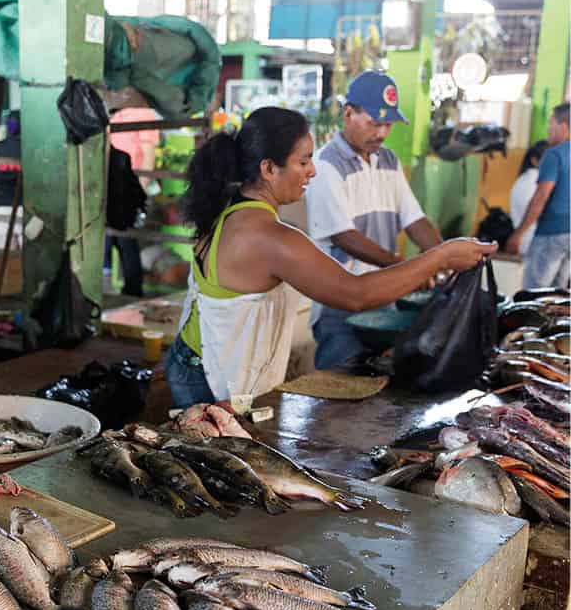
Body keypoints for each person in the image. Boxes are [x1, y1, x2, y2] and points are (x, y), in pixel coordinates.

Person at [165, 107, 496, 409]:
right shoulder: (270, 237)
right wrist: (441, 256)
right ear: (268, 168)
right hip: (207, 376)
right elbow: (355, 294)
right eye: (304, 161)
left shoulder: (233, 213)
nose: (312, 172)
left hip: (197, 359)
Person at [305, 71, 444, 370]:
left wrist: (443, 256)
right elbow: (344, 236)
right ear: (348, 114)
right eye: (374, 122)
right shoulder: (326, 165)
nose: (381, 133)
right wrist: (408, 269)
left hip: (384, 299)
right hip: (339, 304)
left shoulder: (389, 161)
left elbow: (415, 219)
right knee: (337, 395)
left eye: (388, 124)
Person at [506, 103, 570, 289]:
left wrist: (518, 234)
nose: (548, 129)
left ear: (564, 126)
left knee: (534, 294)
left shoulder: (554, 154)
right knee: (560, 295)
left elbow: (541, 196)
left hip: (552, 233)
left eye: (552, 123)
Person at [508, 140, 548, 258]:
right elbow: (536, 209)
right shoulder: (532, 182)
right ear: (535, 161)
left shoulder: (529, 180)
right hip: (532, 244)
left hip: (531, 243)